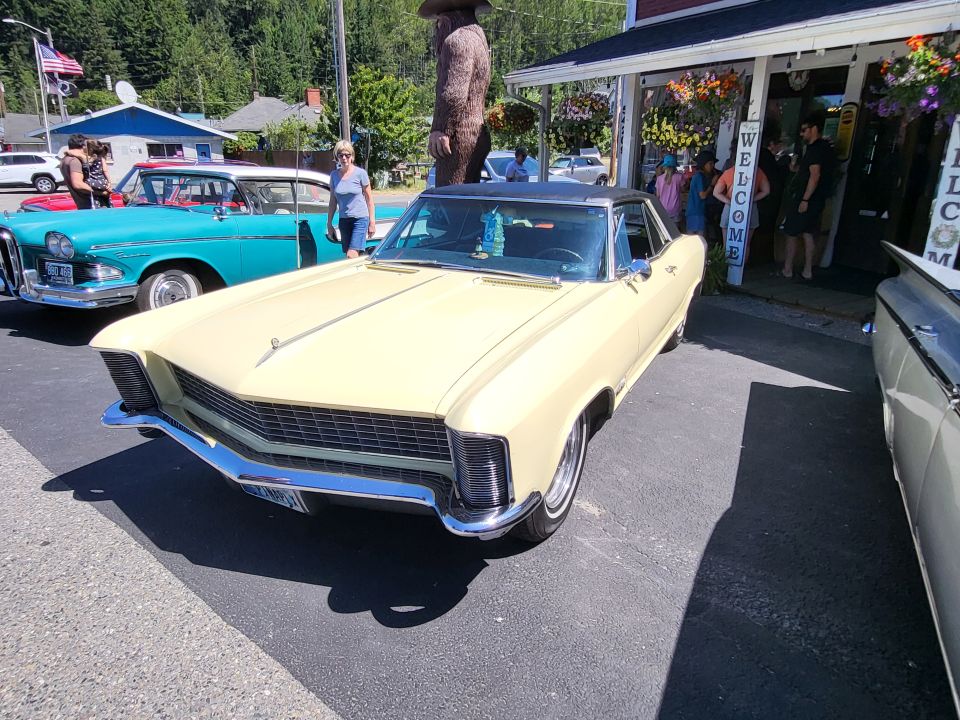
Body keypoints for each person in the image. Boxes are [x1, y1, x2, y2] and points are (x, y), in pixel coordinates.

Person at [781, 113, 835, 280]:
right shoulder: (825, 148)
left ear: (814, 129)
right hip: (817, 199)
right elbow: (811, 172)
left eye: (804, 130)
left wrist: (805, 199)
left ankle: (788, 269)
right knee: (808, 232)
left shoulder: (816, 149)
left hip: (806, 198)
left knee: (791, 232)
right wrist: (797, 169)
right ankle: (807, 270)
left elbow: (815, 175)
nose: (801, 134)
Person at [713, 159, 771, 264]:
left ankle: (727, 269)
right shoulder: (757, 171)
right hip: (750, 207)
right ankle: (741, 268)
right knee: (745, 244)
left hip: (730, 208)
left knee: (727, 243)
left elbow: (716, 192)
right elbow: (766, 191)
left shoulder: (729, 172)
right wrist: (751, 200)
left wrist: (730, 202)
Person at [326, 140, 376, 259]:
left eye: (347, 155)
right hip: (344, 220)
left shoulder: (361, 173)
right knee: (350, 256)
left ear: (352, 156)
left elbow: (369, 200)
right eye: (341, 155)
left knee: (351, 254)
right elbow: (333, 201)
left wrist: (372, 222)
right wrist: (329, 223)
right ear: (337, 157)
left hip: (360, 219)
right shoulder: (334, 175)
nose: (344, 158)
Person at [685, 150, 717, 235]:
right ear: (703, 164)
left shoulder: (699, 176)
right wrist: (712, 184)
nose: (712, 166)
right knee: (698, 238)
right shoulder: (699, 176)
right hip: (696, 211)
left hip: (695, 211)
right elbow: (703, 195)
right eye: (710, 163)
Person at [59, 133, 95, 210]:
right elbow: (78, 184)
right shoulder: (74, 161)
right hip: (91, 205)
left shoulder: (65, 159)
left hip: (82, 204)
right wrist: (100, 192)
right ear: (83, 146)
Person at [655, 154, 684, 223]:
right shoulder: (679, 177)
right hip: (675, 208)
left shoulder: (659, 179)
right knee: (674, 229)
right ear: (675, 167)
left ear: (664, 166)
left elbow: (658, 196)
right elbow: (683, 190)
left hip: (662, 208)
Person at [84, 139, 112, 208]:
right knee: (105, 198)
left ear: (90, 149)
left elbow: (85, 167)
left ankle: (97, 206)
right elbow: (105, 170)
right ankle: (107, 205)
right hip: (103, 182)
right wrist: (109, 182)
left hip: (94, 182)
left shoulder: (91, 158)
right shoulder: (102, 158)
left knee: (83, 183)